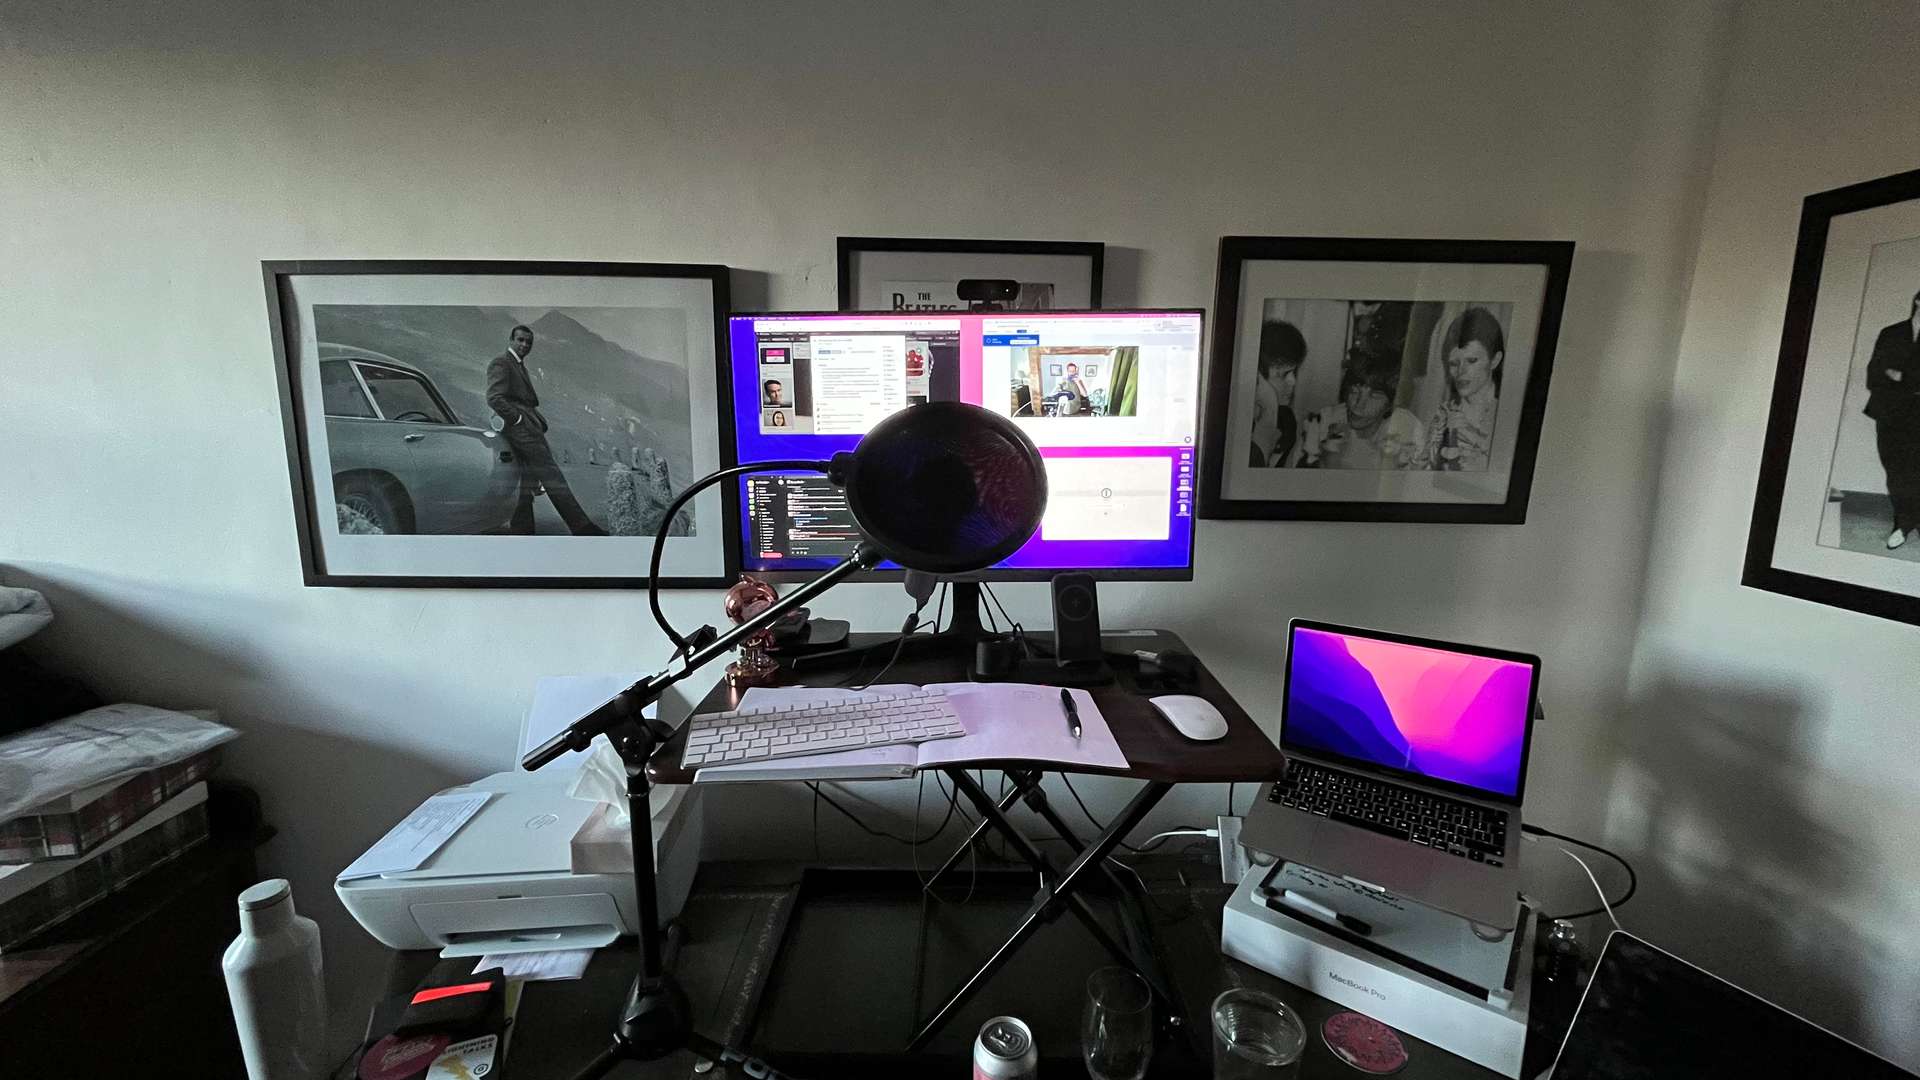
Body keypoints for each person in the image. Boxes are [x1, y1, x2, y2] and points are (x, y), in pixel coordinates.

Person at [487, 324, 606, 536]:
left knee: (525, 479)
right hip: (521, 430)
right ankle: (582, 528)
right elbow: (494, 398)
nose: (525, 345)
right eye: (520, 340)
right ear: (511, 340)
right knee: (552, 475)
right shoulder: (502, 363)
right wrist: (518, 419)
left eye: (528, 342)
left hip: (528, 427)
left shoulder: (518, 365)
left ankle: (523, 530)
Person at [1298, 355, 1426, 470]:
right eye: (1354, 391)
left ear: (1391, 404)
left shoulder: (1406, 428)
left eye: (1374, 396)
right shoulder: (1325, 420)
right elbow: (1296, 478)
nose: (1359, 405)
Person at [1865, 288, 1920, 550]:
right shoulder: (1891, 333)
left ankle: (1911, 521)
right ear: (1918, 301)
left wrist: (1900, 375)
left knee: (1917, 470)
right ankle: (1903, 523)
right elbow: (1874, 373)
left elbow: (1895, 373)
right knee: (1896, 471)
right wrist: (1909, 380)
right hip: (1889, 412)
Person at [1420, 307, 1505, 472]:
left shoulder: (1506, 415)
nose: (1461, 372)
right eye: (1454, 363)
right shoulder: (1444, 413)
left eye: (1471, 361)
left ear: (1495, 360)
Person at [1250, 320, 1306, 466]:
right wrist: (1269, 405)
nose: (1293, 382)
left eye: (1294, 372)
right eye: (1283, 374)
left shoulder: (1286, 421)